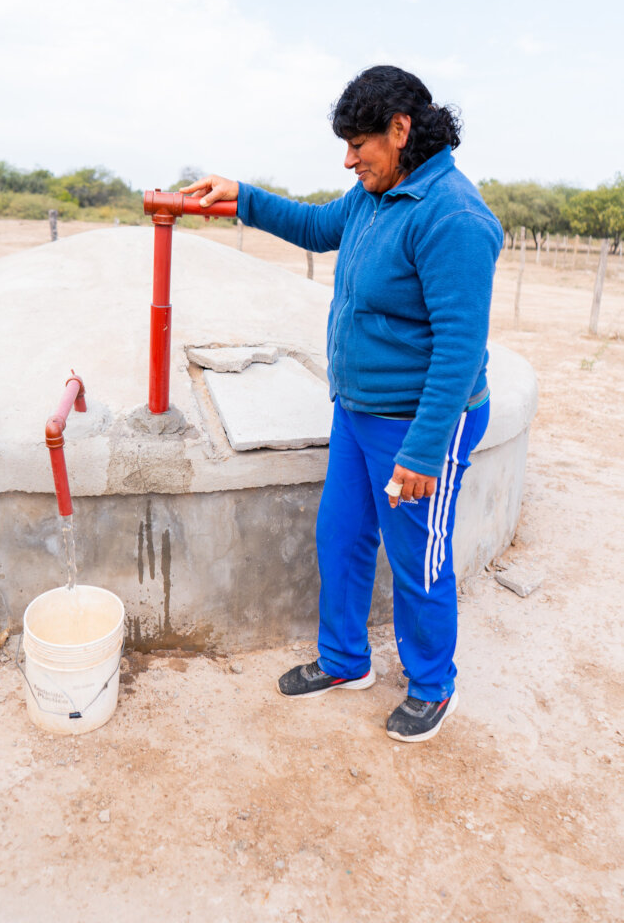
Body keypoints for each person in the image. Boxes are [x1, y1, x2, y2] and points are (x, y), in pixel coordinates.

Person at [182, 65, 503, 743]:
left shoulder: (453, 216)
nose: (348, 158)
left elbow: (458, 350)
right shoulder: (373, 194)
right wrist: (240, 195)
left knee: (417, 558)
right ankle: (343, 662)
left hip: (420, 423)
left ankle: (431, 686)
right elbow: (314, 224)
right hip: (357, 411)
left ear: (400, 129)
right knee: (341, 537)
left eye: (359, 143)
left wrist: (421, 452)